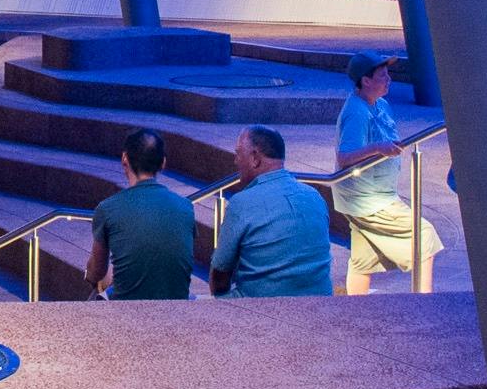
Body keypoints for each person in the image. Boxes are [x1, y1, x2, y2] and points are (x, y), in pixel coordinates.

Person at [331, 62, 443, 295]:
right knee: (423, 236)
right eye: (382, 75)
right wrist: (377, 148)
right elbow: (344, 157)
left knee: (364, 255)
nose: (389, 79)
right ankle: (425, 302)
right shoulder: (356, 112)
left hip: (373, 193)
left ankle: (356, 304)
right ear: (366, 81)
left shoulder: (380, 105)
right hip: (367, 198)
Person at [207, 125, 333, 298]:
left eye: (238, 154)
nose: (235, 161)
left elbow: (220, 277)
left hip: (260, 311)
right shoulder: (315, 197)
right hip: (321, 306)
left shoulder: (241, 204)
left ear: (255, 158)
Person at [84, 129, 196, 300]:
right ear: (163, 163)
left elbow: (96, 271)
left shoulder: (107, 209)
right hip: (177, 304)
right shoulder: (186, 207)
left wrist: (91, 276)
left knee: (97, 293)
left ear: (124, 159)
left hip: (128, 309)